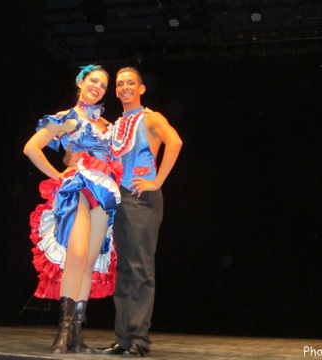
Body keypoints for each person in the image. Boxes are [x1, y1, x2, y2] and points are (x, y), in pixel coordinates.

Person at [23, 65, 122, 354]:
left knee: (90, 261)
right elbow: (31, 148)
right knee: (76, 255)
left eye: (103, 85)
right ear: (80, 83)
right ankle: (62, 334)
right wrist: (58, 175)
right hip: (77, 187)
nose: (98, 87)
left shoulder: (107, 126)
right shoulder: (68, 117)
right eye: (93, 81)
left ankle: (76, 335)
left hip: (104, 192)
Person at [97, 67, 183, 357]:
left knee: (140, 269)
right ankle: (123, 337)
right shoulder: (118, 123)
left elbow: (175, 142)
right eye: (120, 84)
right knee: (123, 270)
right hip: (120, 198)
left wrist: (156, 181)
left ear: (141, 88)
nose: (124, 87)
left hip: (141, 197)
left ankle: (139, 339)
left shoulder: (151, 117)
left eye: (130, 83)